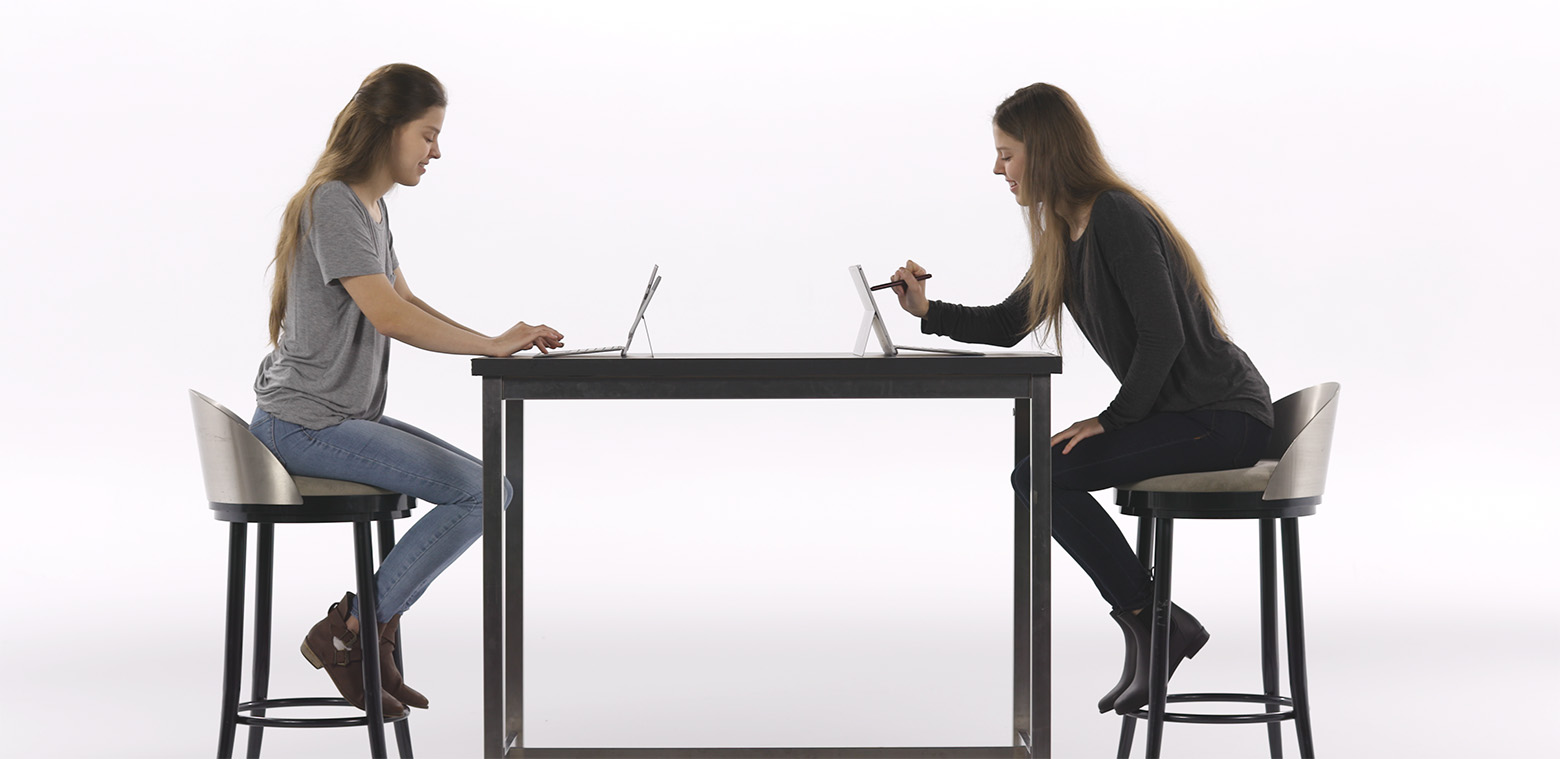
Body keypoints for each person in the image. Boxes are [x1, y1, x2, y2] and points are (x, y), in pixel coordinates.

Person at [888, 83, 1274, 715]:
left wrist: (1110, 421)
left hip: (1223, 416)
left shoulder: (1115, 213)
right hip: (1186, 416)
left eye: (1006, 155)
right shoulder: (1064, 233)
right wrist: (926, 310)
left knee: (1041, 477)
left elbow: (1164, 335)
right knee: (1038, 476)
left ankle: (1155, 624)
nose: (997, 170)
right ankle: (1154, 625)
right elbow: (1010, 323)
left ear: (1043, 151)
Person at [249, 63, 564, 717]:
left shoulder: (370, 206)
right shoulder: (333, 200)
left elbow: (406, 298)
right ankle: (353, 634)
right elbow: (388, 316)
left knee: (491, 487)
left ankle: (365, 633)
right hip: (303, 424)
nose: (437, 151)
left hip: (335, 417)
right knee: (481, 492)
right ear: (389, 130)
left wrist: (496, 335)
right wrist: (491, 343)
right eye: (428, 134)